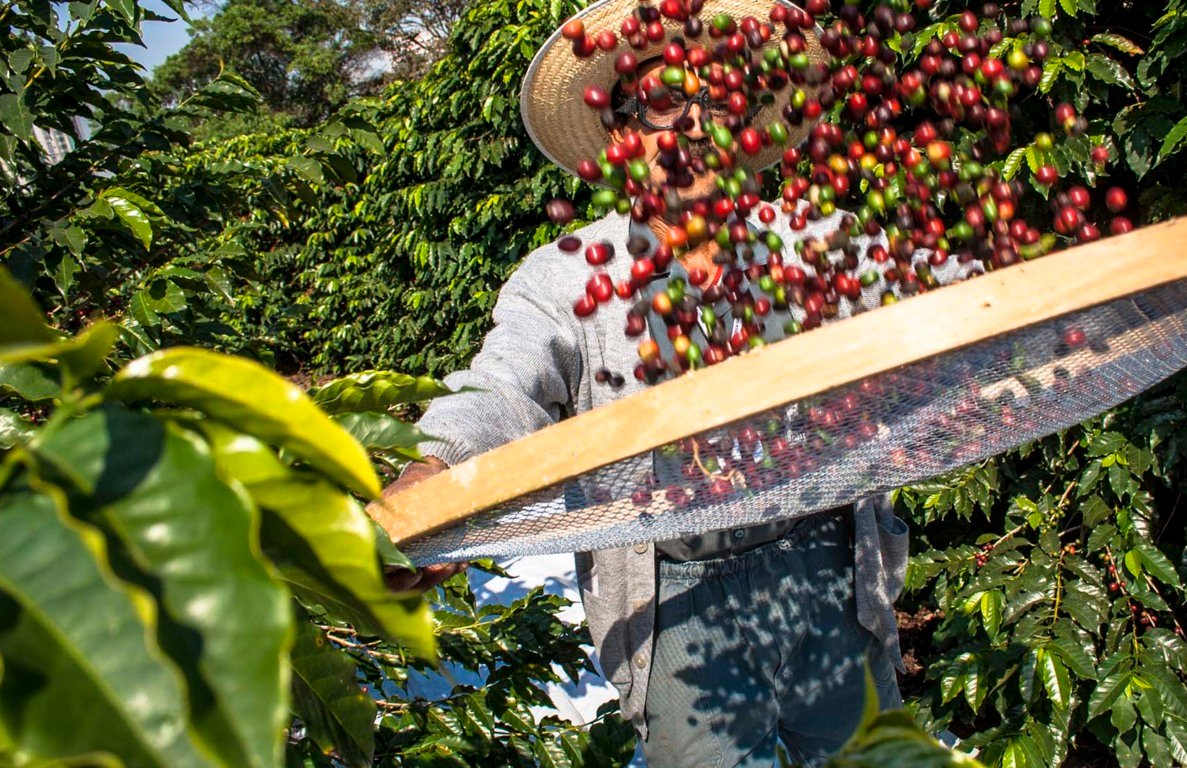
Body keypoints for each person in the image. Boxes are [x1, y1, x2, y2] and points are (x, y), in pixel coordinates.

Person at [384, 0, 951, 764]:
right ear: (620, 132)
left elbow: (944, 298)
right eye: (662, 102)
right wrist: (434, 475)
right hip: (678, 598)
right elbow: (505, 387)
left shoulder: (816, 243)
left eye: (717, 99)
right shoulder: (567, 277)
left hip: (825, 567)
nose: (692, 126)